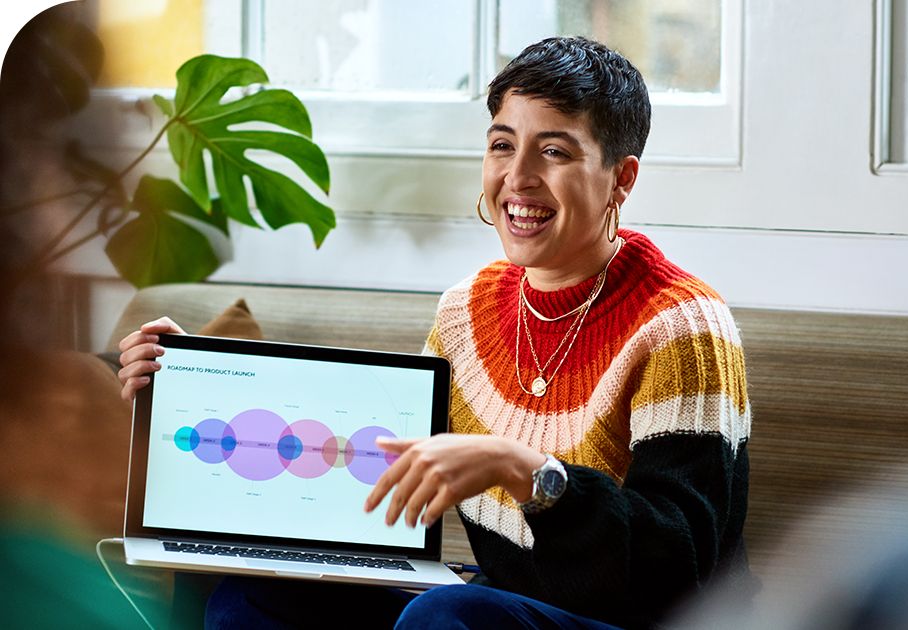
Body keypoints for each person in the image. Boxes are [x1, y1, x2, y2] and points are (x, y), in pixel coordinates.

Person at [117, 36, 752, 629]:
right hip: (495, 609)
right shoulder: (466, 313)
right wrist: (195, 376)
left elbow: (677, 568)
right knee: (249, 595)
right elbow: (370, 465)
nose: (518, 176)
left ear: (622, 178)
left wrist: (526, 470)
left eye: (553, 151)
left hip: (639, 619)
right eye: (503, 144)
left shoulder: (682, 326)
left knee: (445, 619)